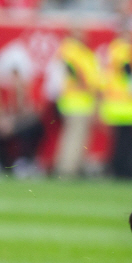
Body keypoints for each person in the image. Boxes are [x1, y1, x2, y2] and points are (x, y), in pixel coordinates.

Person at [100, 23, 132, 179]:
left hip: (113, 102)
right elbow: (130, 72)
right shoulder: (127, 50)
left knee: (118, 140)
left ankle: (115, 169)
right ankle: (127, 171)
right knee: (129, 140)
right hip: (127, 103)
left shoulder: (111, 50)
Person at [49, 28, 100, 178]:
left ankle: (67, 167)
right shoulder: (76, 52)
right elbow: (88, 79)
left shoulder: (69, 51)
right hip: (79, 101)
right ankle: (68, 170)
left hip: (72, 100)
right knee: (75, 137)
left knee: (72, 136)